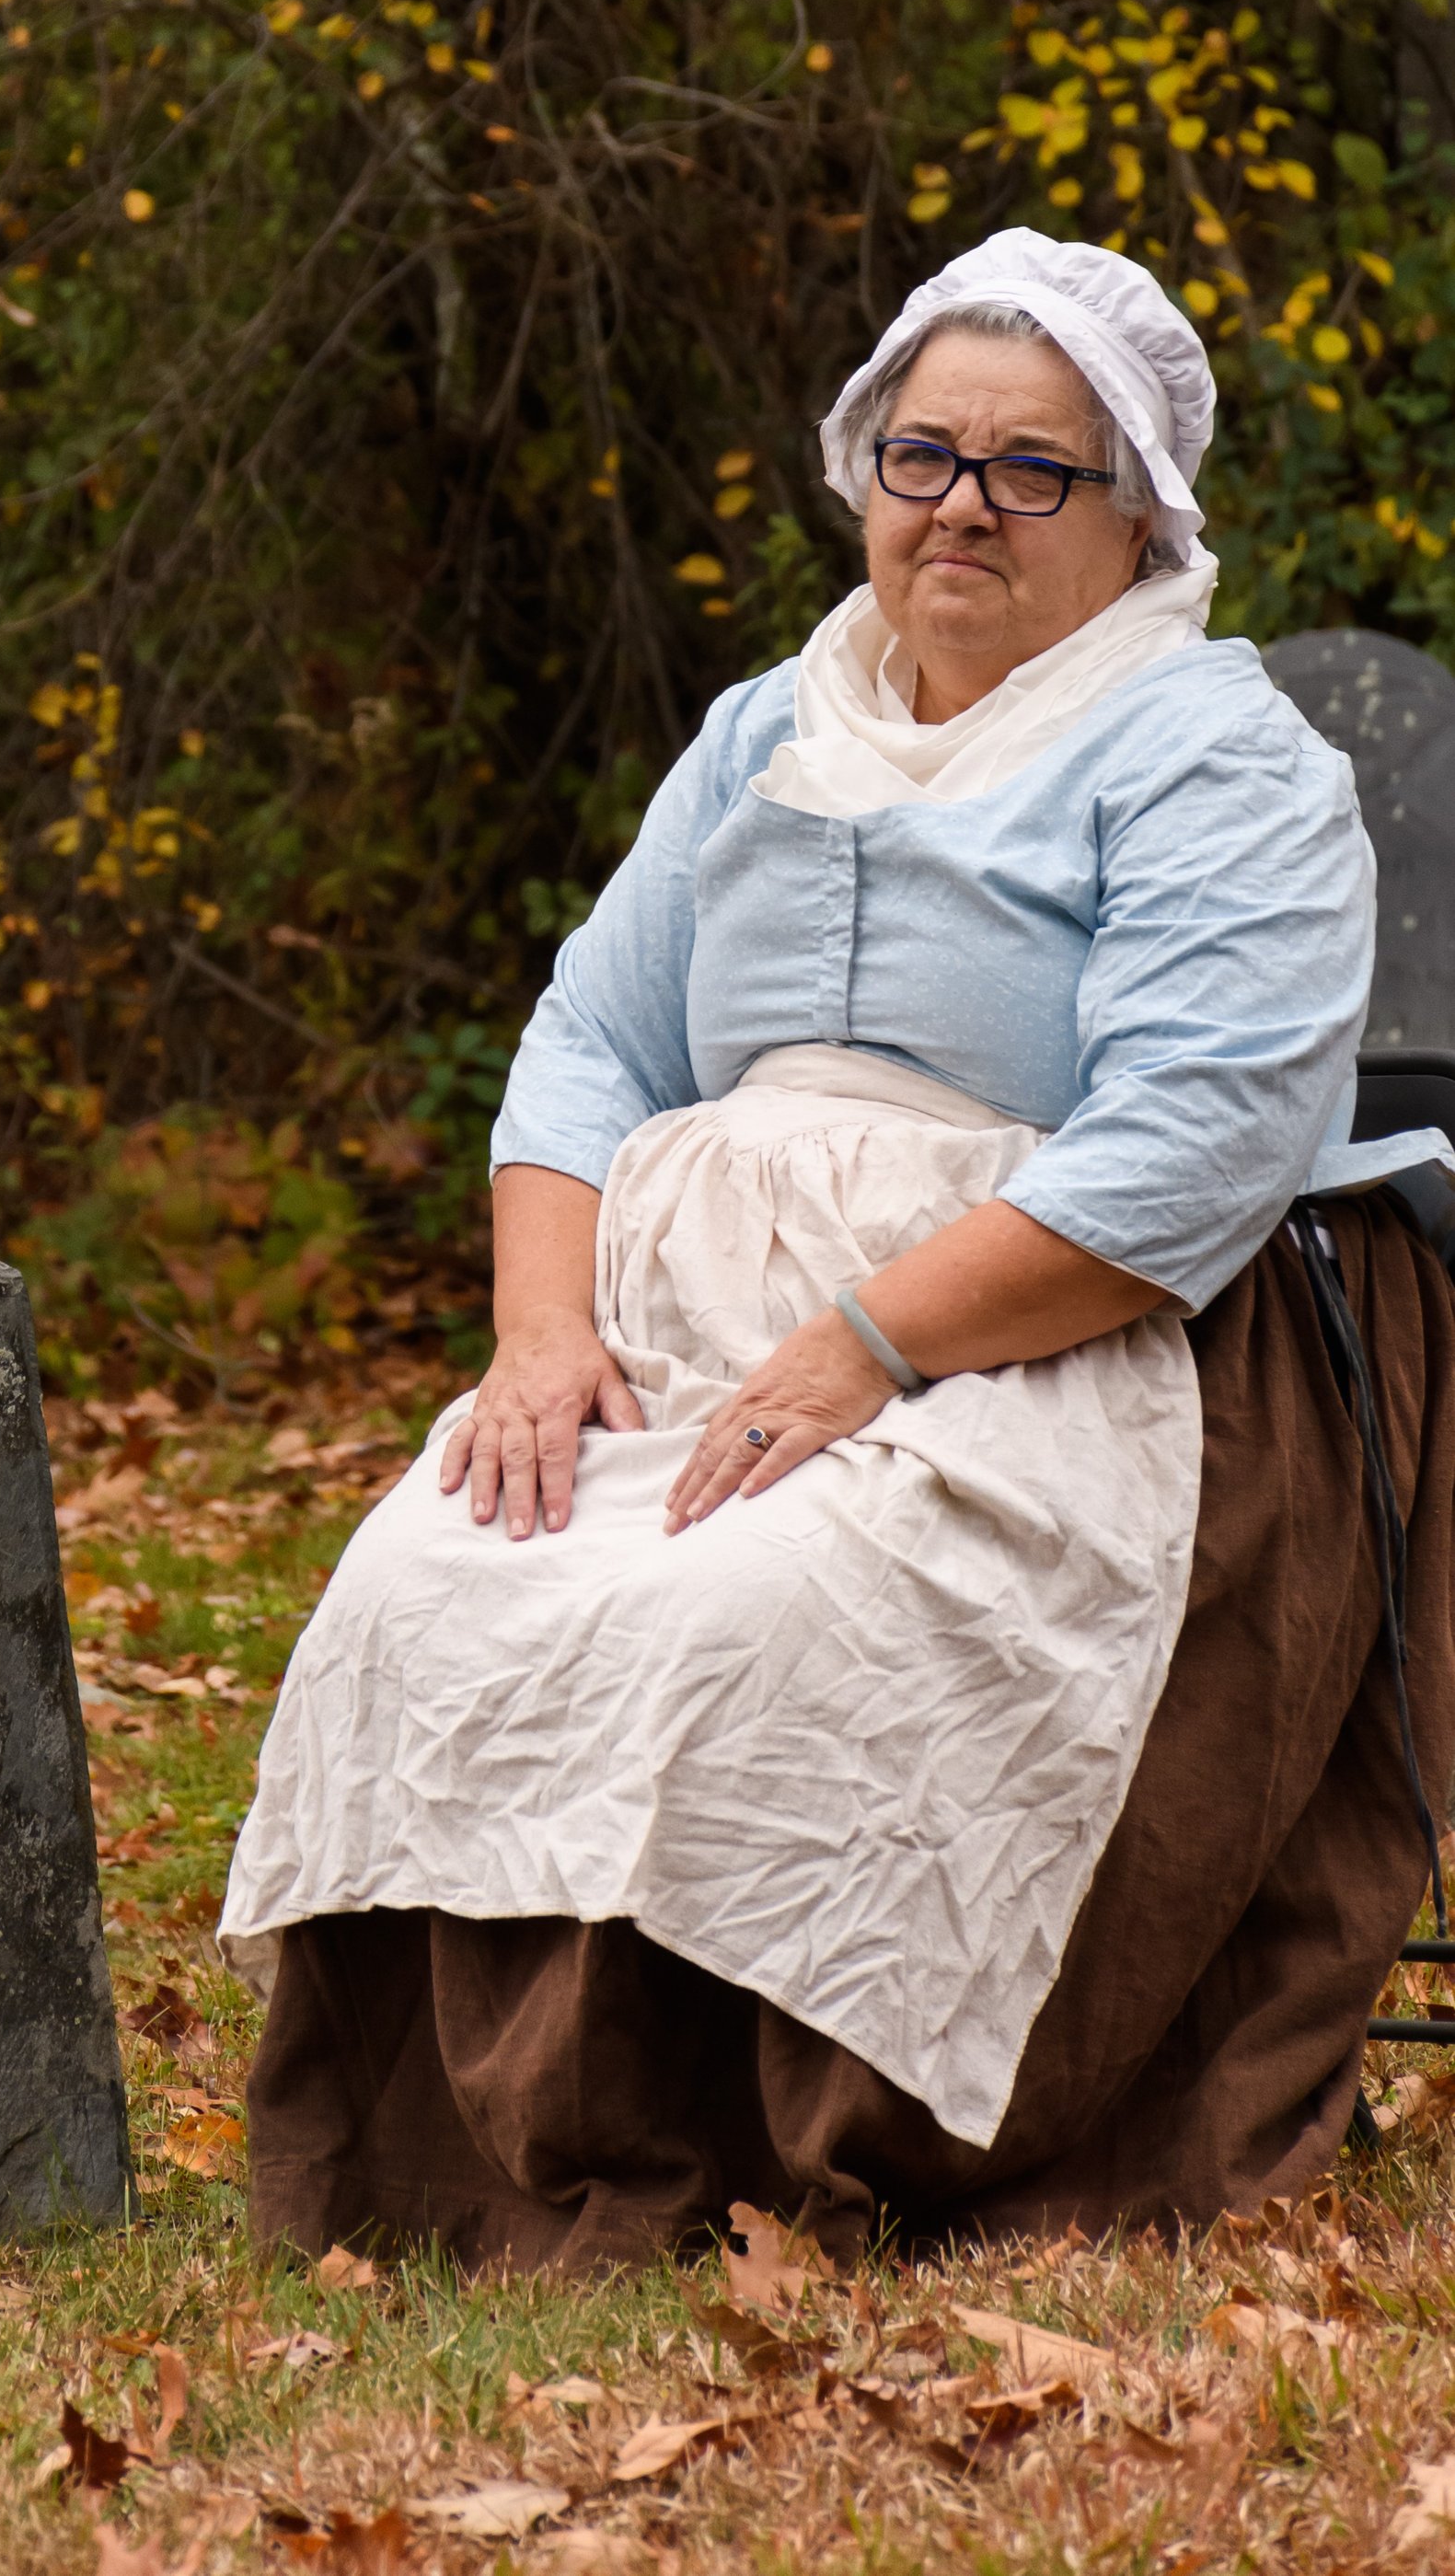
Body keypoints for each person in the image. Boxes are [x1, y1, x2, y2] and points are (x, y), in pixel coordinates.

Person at [221, 228, 1455, 2270]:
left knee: (753, 1613)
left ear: (1137, 510)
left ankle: (786, 2156)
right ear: (859, 468)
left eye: (1030, 466)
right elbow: (585, 1045)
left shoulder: (1211, 757)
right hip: (678, 1338)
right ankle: (447, 2172)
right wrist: (540, 1338)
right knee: (435, 1571)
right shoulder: (757, 733)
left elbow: (1186, 1146)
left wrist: (866, 1345)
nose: (960, 500)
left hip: (1057, 1339)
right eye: (921, 449)